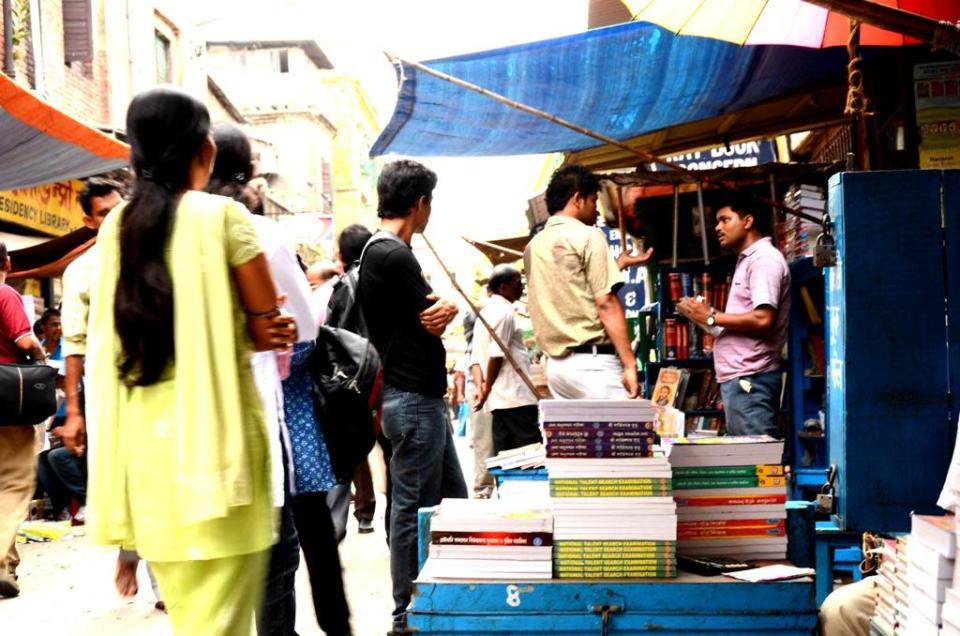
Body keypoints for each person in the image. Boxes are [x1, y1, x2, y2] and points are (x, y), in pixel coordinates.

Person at [82, 86, 296, 634]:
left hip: (148, 464)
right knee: (221, 624)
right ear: (204, 150)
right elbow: (267, 318)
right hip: (220, 456)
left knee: (192, 621)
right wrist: (260, 327)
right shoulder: (224, 218)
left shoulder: (115, 228)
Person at [206, 121, 317, 636]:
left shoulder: (153, 232)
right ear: (248, 171)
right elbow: (306, 323)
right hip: (250, 413)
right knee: (274, 552)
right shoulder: (257, 231)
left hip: (184, 420)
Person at [358, 159, 468, 635]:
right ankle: (407, 612)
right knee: (414, 511)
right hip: (413, 401)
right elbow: (434, 314)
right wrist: (449, 304)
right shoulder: (391, 254)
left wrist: (449, 305)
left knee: (454, 503)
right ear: (420, 204)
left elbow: (437, 312)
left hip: (419, 399)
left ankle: (450, 597)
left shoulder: (382, 252)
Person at [60, 177, 166, 607]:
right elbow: (73, 343)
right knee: (130, 481)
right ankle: (129, 552)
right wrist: (74, 412)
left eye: (119, 208)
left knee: (160, 478)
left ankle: (162, 581)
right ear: (89, 220)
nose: (115, 219)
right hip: (109, 395)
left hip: (158, 384)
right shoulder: (81, 271)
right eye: (104, 213)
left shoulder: (153, 257)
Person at [677, 192, 790, 438]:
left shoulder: (763, 260)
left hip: (751, 379)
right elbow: (742, 323)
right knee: (750, 465)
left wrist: (711, 316)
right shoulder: (747, 260)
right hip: (742, 379)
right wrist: (700, 316)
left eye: (725, 220)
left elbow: (763, 319)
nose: (717, 227)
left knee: (757, 464)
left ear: (747, 221)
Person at [524, 165, 639, 400]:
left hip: (557, 369)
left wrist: (616, 266)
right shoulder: (588, 235)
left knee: (580, 437)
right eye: (593, 201)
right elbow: (605, 301)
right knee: (624, 435)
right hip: (594, 365)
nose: (596, 211)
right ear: (578, 199)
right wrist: (629, 364)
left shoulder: (533, 246)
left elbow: (570, 288)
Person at [326, 223, 381, 537]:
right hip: (383, 375)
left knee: (355, 451)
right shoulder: (381, 275)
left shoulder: (345, 285)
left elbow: (338, 334)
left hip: (358, 378)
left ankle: (359, 513)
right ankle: (366, 513)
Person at [0, 241, 47, 598]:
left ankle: (7, 568)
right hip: (7, 403)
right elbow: (26, 341)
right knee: (14, 484)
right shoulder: (5, 294)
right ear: (9, 263)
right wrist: (45, 362)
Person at [471, 265, 541, 454]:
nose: (522, 288)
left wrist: (482, 387)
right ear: (503, 287)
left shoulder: (484, 314)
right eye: (517, 284)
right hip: (515, 397)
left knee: (506, 454)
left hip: (499, 401)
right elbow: (495, 354)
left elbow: (476, 358)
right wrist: (485, 388)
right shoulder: (504, 313)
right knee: (530, 452)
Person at [463, 308, 495, 498]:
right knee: (484, 441)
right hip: (479, 389)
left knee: (485, 441)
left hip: (484, 389)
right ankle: (482, 489)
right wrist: (482, 387)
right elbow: (476, 365)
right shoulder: (475, 342)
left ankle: (485, 488)